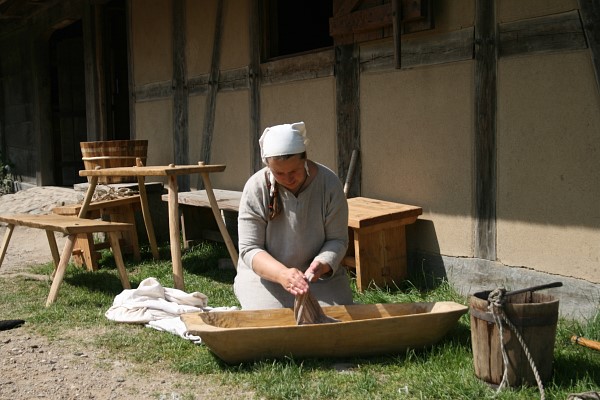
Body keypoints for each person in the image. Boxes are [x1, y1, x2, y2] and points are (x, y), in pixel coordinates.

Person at [233, 121, 354, 310]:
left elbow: (337, 240)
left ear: (305, 158)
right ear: (268, 166)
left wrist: (321, 264)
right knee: (271, 321)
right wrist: (282, 274)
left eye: (294, 171)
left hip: (318, 279)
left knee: (333, 317)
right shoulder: (255, 188)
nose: (288, 179)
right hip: (267, 278)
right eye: (279, 173)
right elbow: (250, 248)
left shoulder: (329, 184)